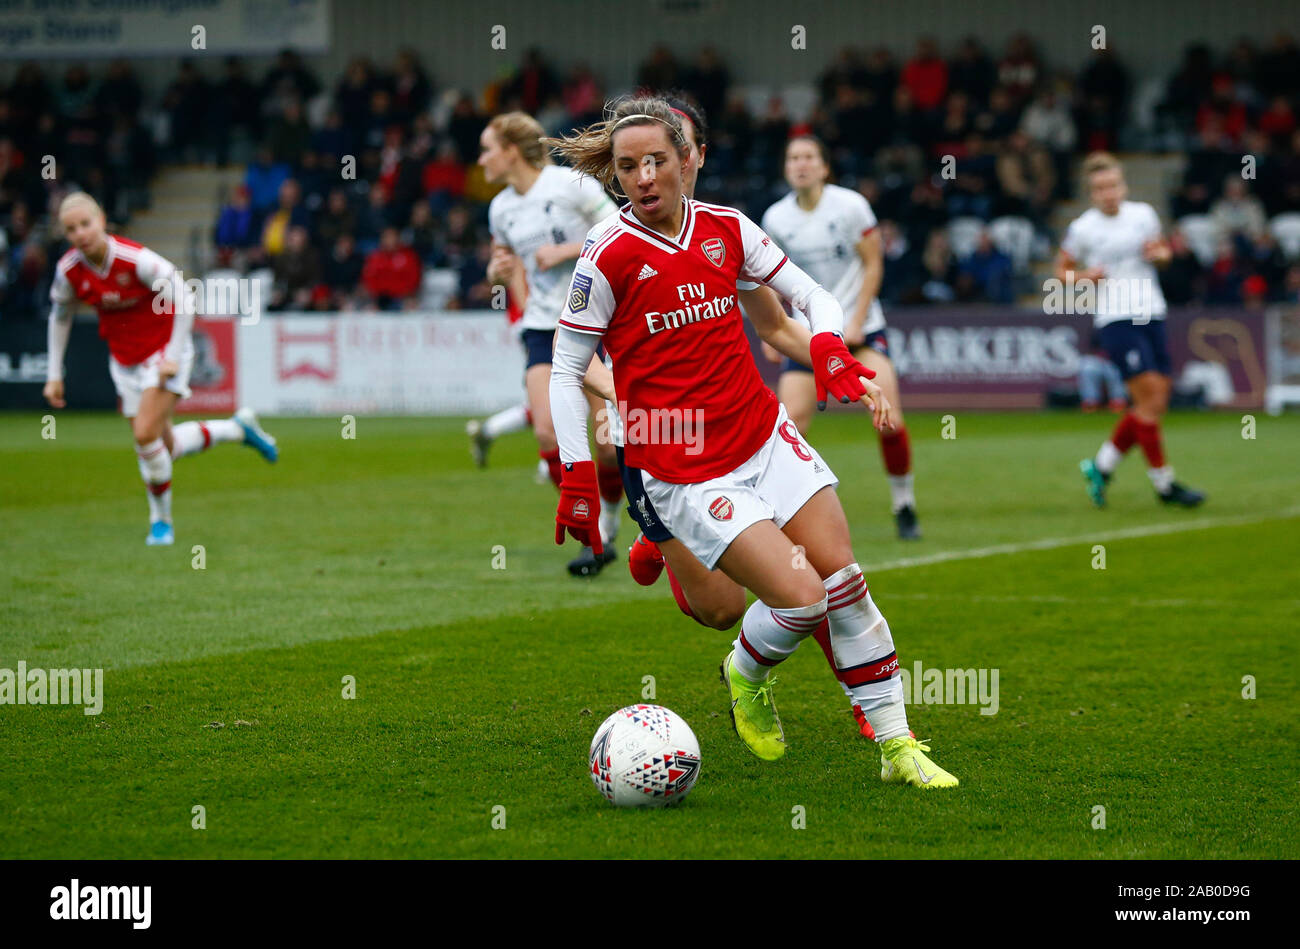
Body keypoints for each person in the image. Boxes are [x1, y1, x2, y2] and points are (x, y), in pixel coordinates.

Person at [546, 97, 957, 788]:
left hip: (761, 434)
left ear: (687, 159)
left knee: (843, 578)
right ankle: (742, 670)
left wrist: (829, 349)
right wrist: (580, 473)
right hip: (682, 465)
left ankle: (897, 745)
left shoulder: (728, 229)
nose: (644, 177)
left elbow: (810, 297)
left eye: (655, 161)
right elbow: (566, 366)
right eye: (627, 168)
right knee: (780, 602)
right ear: (614, 178)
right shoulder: (607, 257)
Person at [43, 193, 277, 546]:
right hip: (124, 361)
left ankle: (161, 523)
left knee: (143, 435)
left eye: (86, 224)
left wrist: (171, 355)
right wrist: (54, 373)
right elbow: (60, 316)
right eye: (71, 228)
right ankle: (238, 429)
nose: (80, 233)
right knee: (164, 447)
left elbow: (184, 295)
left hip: (166, 351)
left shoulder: (134, 259)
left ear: (102, 220)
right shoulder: (69, 271)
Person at [478, 112, 623, 576]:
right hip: (544, 327)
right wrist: (499, 277)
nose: (481, 159)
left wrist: (564, 252)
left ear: (511, 151)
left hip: (598, 320)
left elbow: (620, 234)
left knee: (606, 443)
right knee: (547, 433)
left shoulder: (569, 185)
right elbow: (509, 263)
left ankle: (611, 517)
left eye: (487, 149)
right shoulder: (500, 208)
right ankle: (592, 538)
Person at [759, 135, 922, 539]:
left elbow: (873, 263)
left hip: (860, 332)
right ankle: (777, 516)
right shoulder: (776, 218)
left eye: (808, 157)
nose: (800, 164)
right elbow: (768, 277)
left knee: (888, 420)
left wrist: (858, 320)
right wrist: (773, 329)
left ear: (824, 167)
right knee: (789, 425)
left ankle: (904, 504)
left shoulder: (850, 206)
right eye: (793, 157)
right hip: (808, 336)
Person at [1059, 153, 1205, 507]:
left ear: (1122, 185)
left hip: (1152, 311)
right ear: (1091, 193)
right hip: (1115, 318)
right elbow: (1061, 273)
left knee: (1153, 403)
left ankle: (1101, 467)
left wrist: (1161, 255)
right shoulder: (1083, 228)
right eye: (1100, 188)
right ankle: (1165, 485)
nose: (1108, 193)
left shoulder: (1143, 215)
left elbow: (1164, 254)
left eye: (1112, 185)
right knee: (1150, 400)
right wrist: (1083, 277)